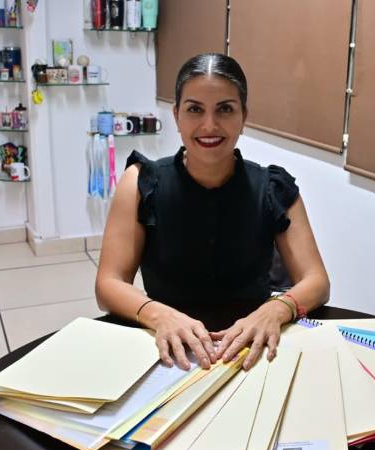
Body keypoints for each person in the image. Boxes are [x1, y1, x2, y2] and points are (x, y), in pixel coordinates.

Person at [95, 53, 330, 371]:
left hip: (252, 348)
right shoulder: (140, 184)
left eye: (225, 109)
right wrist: (158, 315)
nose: (209, 125)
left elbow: (317, 281)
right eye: (195, 109)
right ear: (176, 115)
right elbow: (108, 283)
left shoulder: (274, 188)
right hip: (168, 347)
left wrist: (274, 310)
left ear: (244, 116)